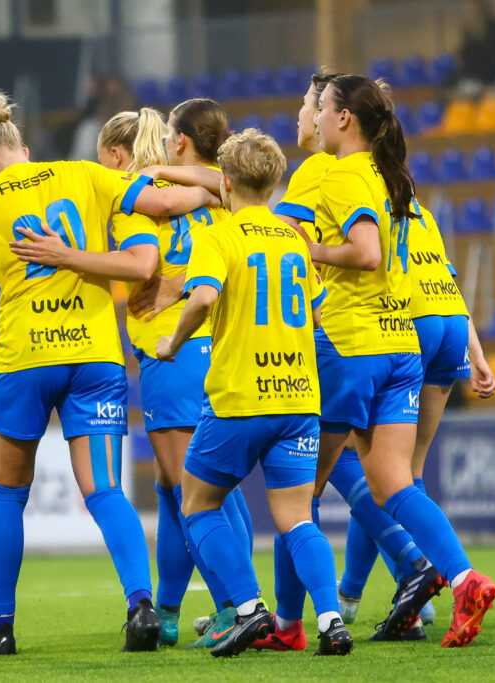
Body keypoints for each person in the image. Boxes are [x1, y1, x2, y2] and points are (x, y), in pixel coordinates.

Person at [0, 91, 219, 656]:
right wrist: (221, 189)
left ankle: (1, 629)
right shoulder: (83, 174)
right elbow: (164, 202)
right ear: (24, 150)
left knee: (6, 494)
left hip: (25, 359)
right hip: (94, 356)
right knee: (105, 490)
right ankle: (141, 605)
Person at [11, 101, 254, 649]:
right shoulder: (217, 194)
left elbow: (144, 264)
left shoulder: (137, 204)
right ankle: (169, 610)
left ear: (117, 157)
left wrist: (69, 257)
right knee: (176, 489)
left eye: (103, 161)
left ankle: (238, 606)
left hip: (173, 352)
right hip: (212, 347)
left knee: (199, 493)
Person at [309, 74, 495, 648]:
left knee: (303, 491)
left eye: (319, 108)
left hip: (359, 341)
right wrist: (475, 349)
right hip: (412, 338)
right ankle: (460, 579)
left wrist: (303, 248)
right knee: (395, 481)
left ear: (344, 118)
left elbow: (365, 254)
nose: (313, 118)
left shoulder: (336, 174)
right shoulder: (398, 181)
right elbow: (432, 270)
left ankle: (301, 619)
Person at [157, 127, 351, 658]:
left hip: (241, 396)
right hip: (298, 397)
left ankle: (248, 608)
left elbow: (202, 298)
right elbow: (316, 315)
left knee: (198, 504)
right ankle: (331, 620)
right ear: (273, 184)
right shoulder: (293, 239)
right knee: (297, 518)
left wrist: (172, 342)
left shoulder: (220, 235)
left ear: (224, 182)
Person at [335, 199, 495, 629]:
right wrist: (477, 353)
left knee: (354, 461)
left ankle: (412, 578)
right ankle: (357, 593)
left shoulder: (360, 202)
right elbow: (446, 281)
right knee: (403, 473)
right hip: (451, 323)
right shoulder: (420, 210)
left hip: (407, 323)